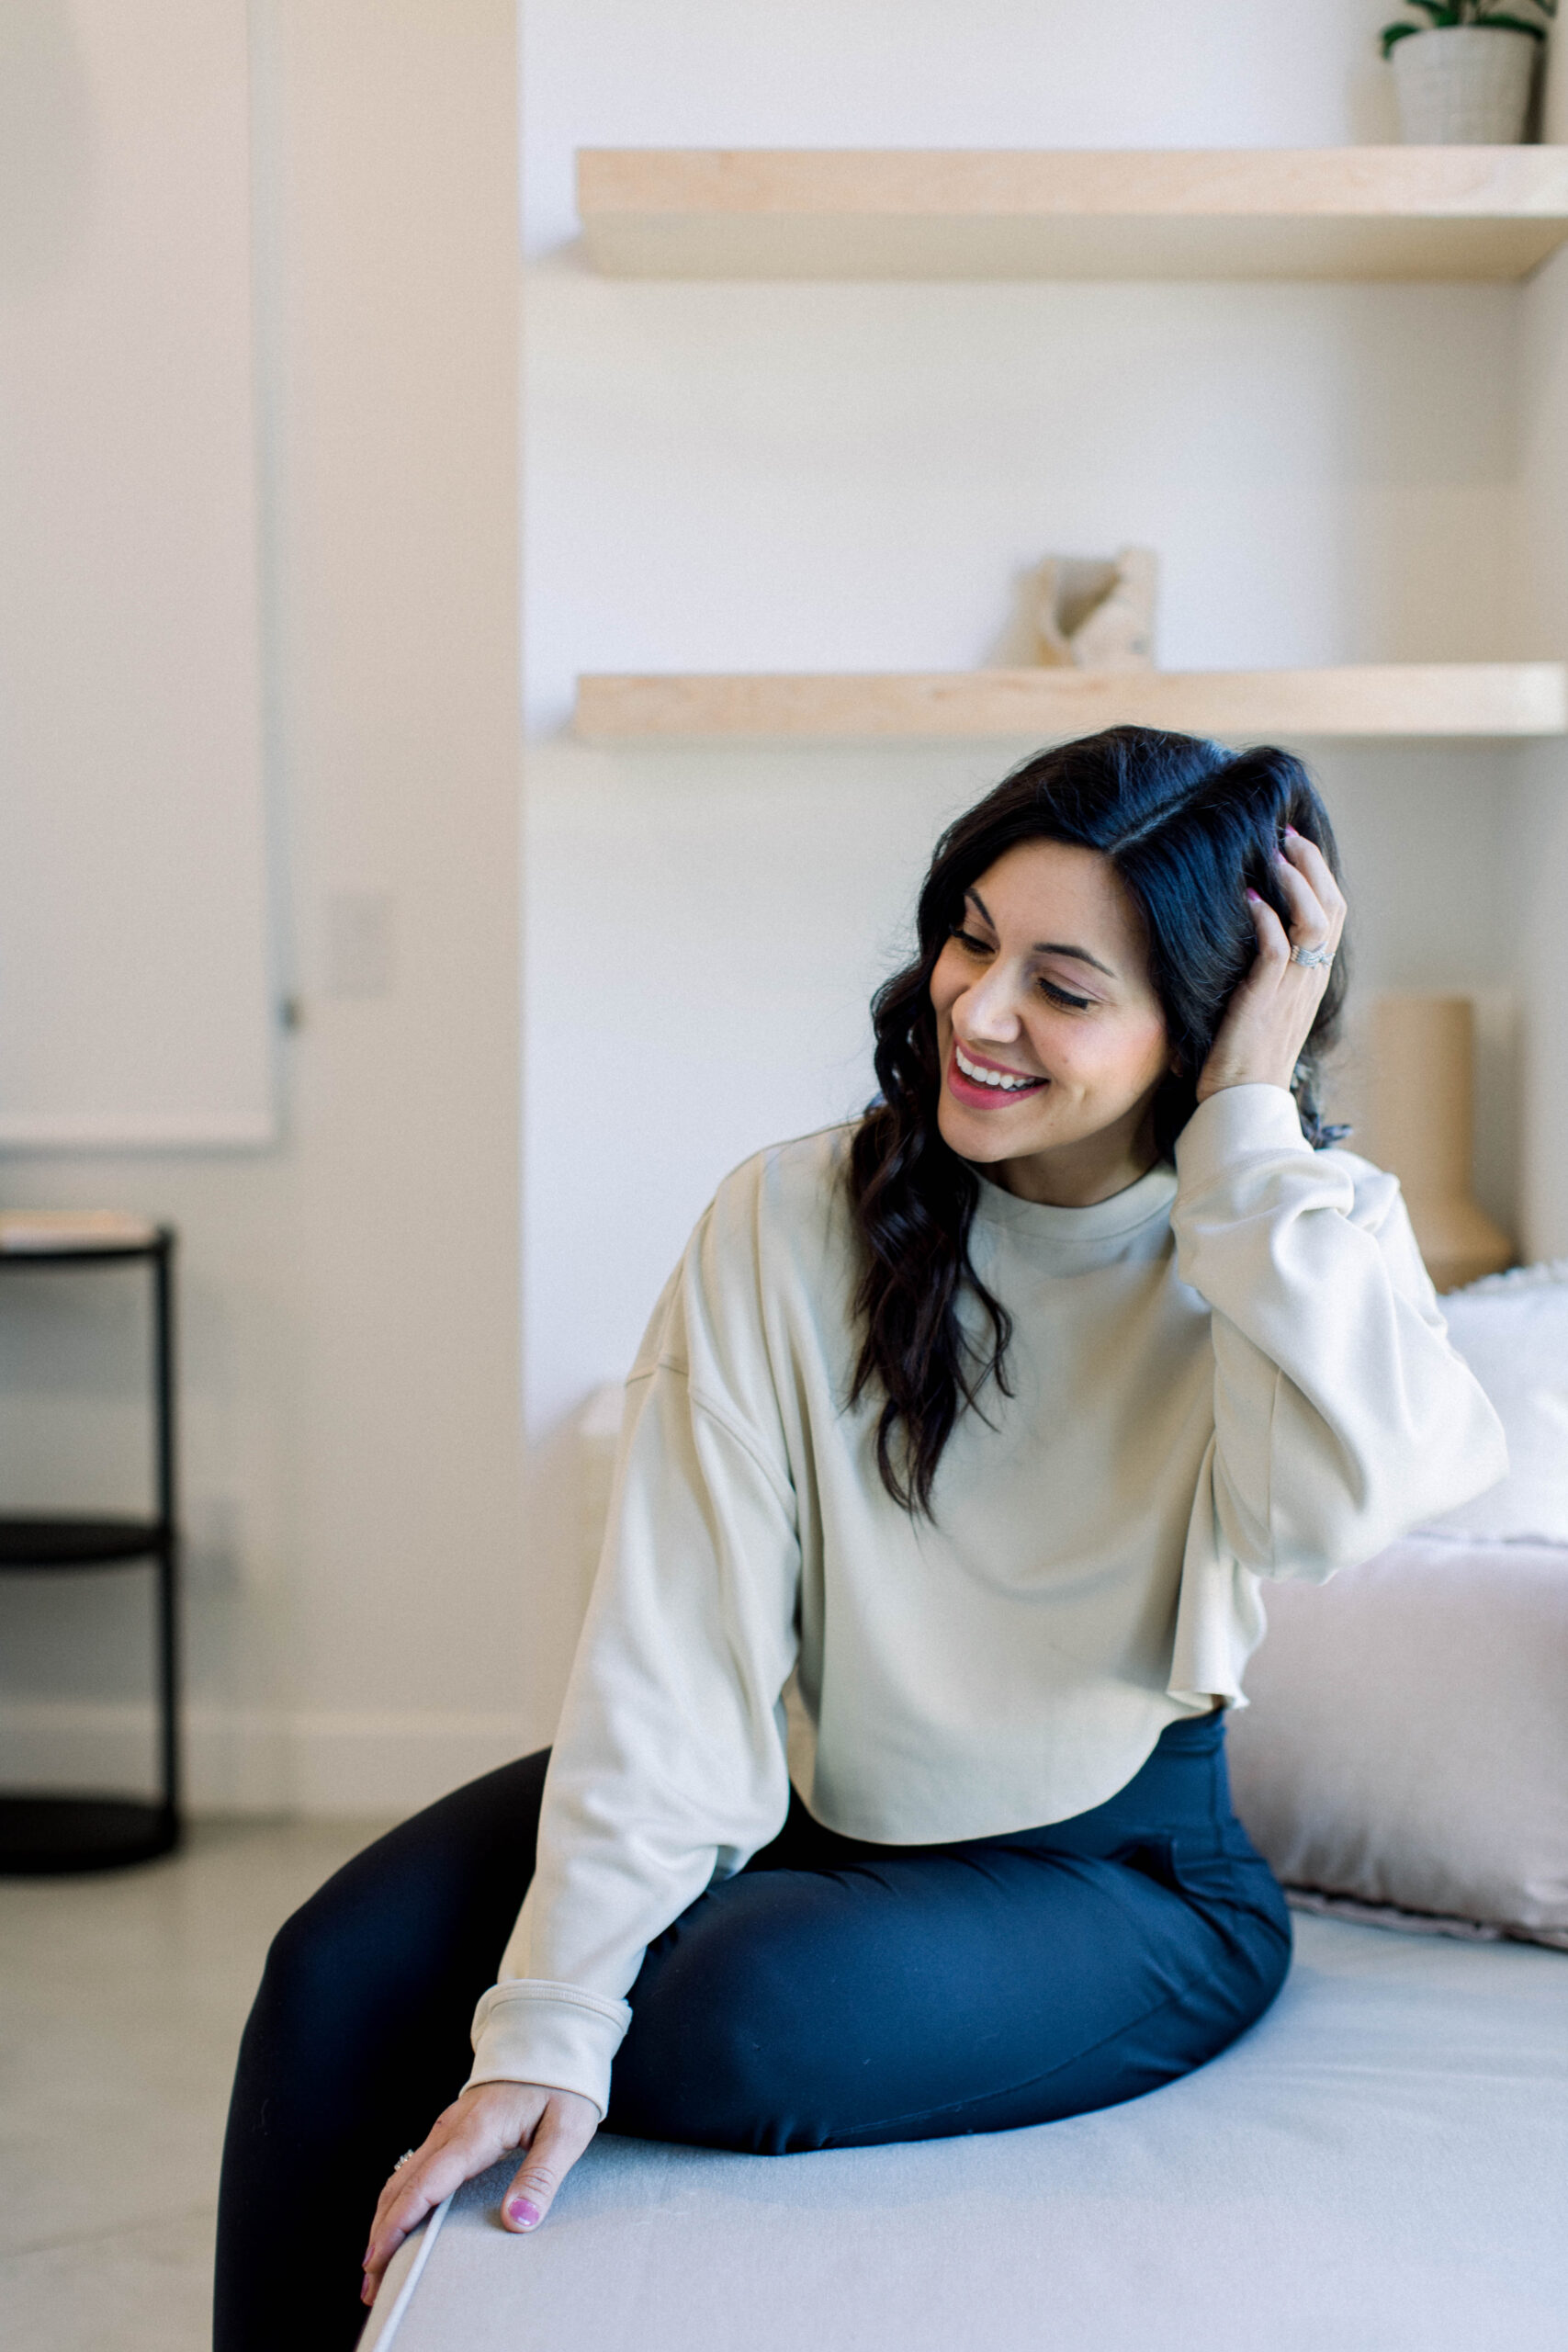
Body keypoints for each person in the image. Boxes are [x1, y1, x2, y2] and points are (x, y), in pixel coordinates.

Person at [214, 728, 1506, 2351]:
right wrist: (546, 2016)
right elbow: (677, 1653)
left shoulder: (1282, 1235)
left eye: (1065, 984)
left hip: (1116, 1870)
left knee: (712, 2018)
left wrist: (1246, 1125)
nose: (978, 1011)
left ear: (1200, 1020)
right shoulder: (787, 1219)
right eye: (970, 937)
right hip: (803, 1794)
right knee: (336, 1972)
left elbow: (1360, 1499)